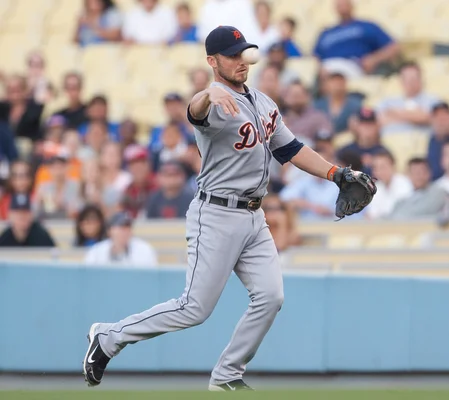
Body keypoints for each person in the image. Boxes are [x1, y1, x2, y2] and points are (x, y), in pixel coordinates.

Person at [82, 25, 373, 392]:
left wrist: (336, 173)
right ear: (212, 61)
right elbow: (194, 111)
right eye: (232, 55)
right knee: (194, 308)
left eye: (243, 53)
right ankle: (108, 338)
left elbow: (292, 150)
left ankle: (227, 376)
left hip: (254, 215)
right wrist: (207, 94)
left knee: (271, 297)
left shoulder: (264, 102)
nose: (240, 60)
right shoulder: (214, 102)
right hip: (216, 213)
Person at [313, 0, 399, 77]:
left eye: (345, 4)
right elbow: (315, 57)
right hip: (328, 68)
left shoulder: (366, 27)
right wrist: (320, 68)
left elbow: (393, 47)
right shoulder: (326, 33)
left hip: (354, 66)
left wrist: (374, 59)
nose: (342, 8)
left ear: (352, 6)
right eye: (339, 5)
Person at [377, 62, 438, 136]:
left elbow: (426, 118)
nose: (410, 83)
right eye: (407, 79)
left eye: (413, 78)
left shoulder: (432, 100)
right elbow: (379, 121)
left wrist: (394, 113)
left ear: (420, 79)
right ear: (401, 81)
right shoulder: (388, 101)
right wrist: (412, 116)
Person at [84, 211, 158, 266]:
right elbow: (88, 277)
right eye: (121, 227)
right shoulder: (96, 251)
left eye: (128, 227)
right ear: (110, 230)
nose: (125, 231)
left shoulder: (145, 250)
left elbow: (149, 279)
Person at [32, 151, 83, 220]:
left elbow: (82, 207)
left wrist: (64, 205)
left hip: (70, 222)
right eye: (54, 167)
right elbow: (34, 210)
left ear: (67, 168)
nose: (58, 171)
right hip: (49, 222)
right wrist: (39, 201)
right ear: (49, 169)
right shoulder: (43, 187)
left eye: (61, 167)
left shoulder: (76, 185)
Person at [337, 108, 388, 174]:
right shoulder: (345, 151)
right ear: (357, 126)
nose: (366, 128)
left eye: (370, 124)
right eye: (363, 124)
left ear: (376, 127)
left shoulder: (383, 152)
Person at [366, 149, 412, 220]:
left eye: (382, 167)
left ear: (393, 167)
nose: (378, 171)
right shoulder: (376, 187)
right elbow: (371, 215)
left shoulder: (404, 183)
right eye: (375, 168)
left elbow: (400, 213)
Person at [313, 68, 363, 133]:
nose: (337, 85)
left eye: (340, 82)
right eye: (334, 82)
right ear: (327, 85)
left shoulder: (355, 105)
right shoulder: (318, 105)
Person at [0, 74, 44, 141]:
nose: (13, 96)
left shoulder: (35, 110)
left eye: (17, 91)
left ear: (25, 90)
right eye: (10, 91)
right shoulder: (3, 109)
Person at [121, 145, 157, 218]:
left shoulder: (158, 186)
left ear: (148, 165)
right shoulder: (128, 190)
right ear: (129, 168)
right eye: (134, 164)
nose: (138, 168)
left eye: (142, 163)